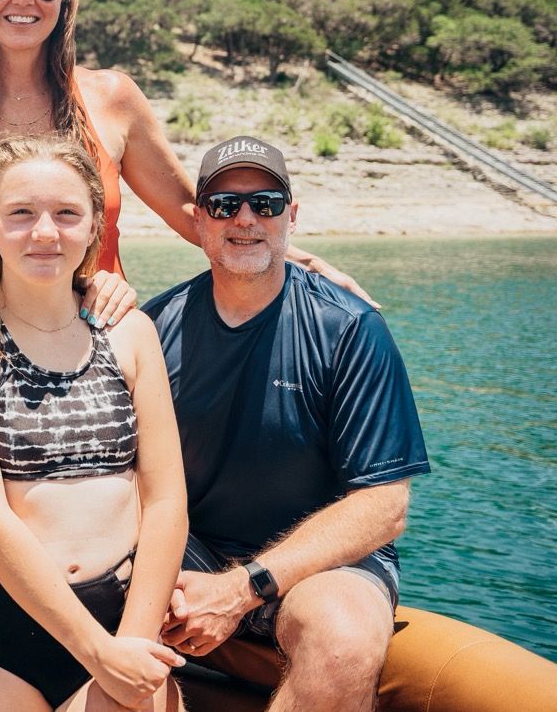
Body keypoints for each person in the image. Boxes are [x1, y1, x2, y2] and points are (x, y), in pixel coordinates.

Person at [0, 0, 374, 306]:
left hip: (101, 337)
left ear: (64, 3)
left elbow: (193, 212)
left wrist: (301, 265)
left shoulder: (113, 98)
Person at [144, 135, 430, 710]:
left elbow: (383, 505)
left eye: (265, 203)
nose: (245, 218)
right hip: (189, 549)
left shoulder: (349, 328)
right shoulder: (152, 329)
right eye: (224, 205)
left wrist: (241, 587)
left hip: (323, 562)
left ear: (290, 216)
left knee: (344, 642)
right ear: (198, 221)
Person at [0, 135, 189, 712]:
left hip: (125, 616)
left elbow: (167, 500)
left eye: (67, 213)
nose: (45, 232)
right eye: (20, 213)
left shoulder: (131, 333)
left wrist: (134, 641)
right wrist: (96, 651)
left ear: (95, 225)